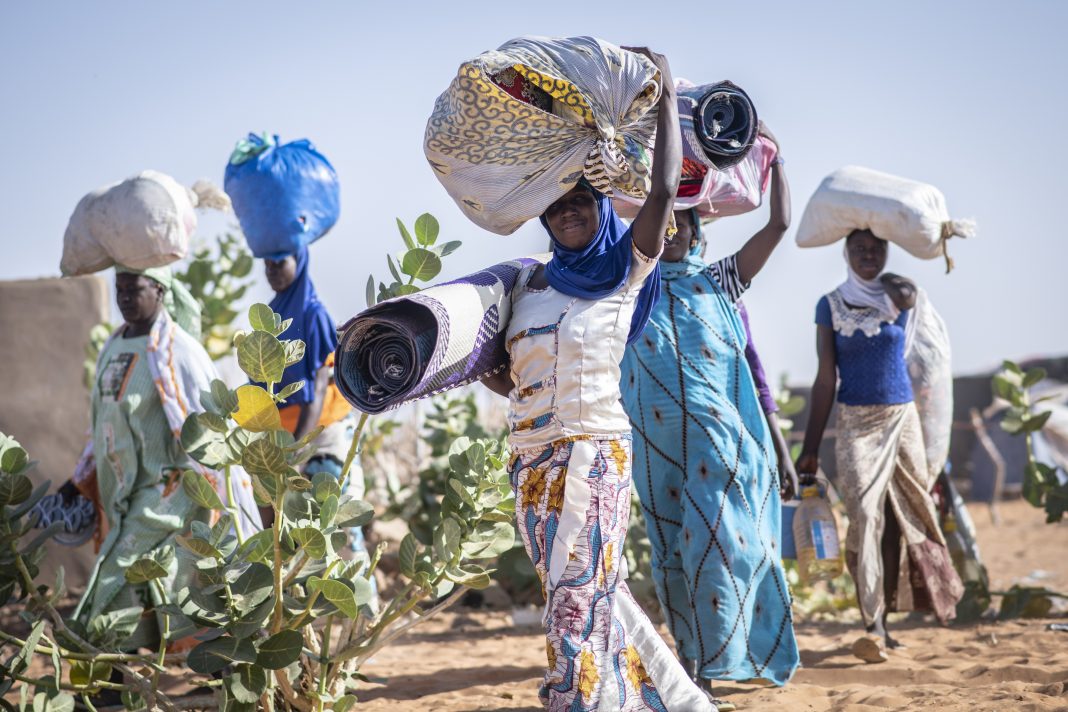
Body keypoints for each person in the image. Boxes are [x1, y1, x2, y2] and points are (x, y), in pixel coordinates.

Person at [481, 48, 715, 710]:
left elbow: (665, 191)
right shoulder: (528, 284)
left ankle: (575, 702)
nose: (569, 214)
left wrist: (667, 95)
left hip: (592, 459)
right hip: (529, 466)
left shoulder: (623, 270)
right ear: (543, 218)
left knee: (572, 612)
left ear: (600, 202)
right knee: (589, 599)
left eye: (580, 201)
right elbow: (507, 374)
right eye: (556, 208)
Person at [619, 128, 799, 707]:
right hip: (657, 450)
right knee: (674, 553)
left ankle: (715, 665)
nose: (671, 233)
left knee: (719, 545)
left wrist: (777, 160)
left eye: (683, 224)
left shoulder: (720, 280)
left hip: (722, 446)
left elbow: (777, 227)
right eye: (663, 224)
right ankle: (694, 668)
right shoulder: (630, 290)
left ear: (698, 231)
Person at [71, 266, 260, 653]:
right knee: (163, 580)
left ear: (158, 290)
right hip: (123, 493)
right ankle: (210, 665)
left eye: (133, 288)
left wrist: (224, 495)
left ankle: (106, 668)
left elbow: (206, 426)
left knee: (115, 572)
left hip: (167, 490)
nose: (123, 297)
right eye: (119, 288)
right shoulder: (115, 345)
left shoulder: (177, 351)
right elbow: (101, 420)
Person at [796, 230, 963, 662]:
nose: (868, 256)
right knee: (866, 516)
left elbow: (923, 353)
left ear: (887, 251)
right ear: (845, 253)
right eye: (859, 250)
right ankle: (873, 622)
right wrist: (810, 447)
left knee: (904, 513)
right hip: (855, 424)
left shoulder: (901, 300)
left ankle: (889, 618)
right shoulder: (829, 305)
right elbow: (824, 377)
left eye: (876, 249)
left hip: (902, 419)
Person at [263, 249, 374, 580]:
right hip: (286, 437)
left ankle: (363, 613)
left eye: (280, 261)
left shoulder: (313, 315)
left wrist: (293, 452)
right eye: (268, 263)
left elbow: (318, 390)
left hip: (323, 433)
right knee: (285, 527)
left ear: (300, 262)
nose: (272, 270)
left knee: (339, 519)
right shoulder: (271, 317)